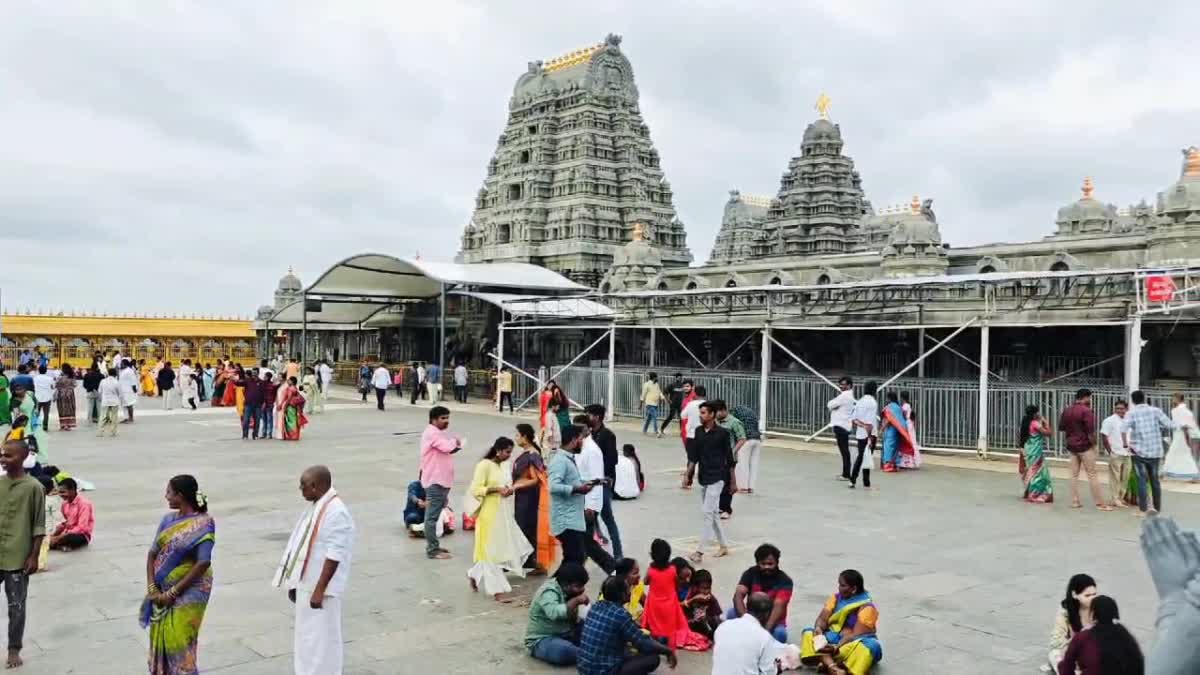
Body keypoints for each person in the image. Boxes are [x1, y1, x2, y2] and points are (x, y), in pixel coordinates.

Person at [273, 466, 356, 675]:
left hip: (321, 591)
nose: (300, 489)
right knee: (307, 639)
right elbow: (301, 545)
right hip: (306, 585)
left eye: (303, 485)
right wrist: (294, 583)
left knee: (322, 641)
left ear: (315, 486)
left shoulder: (336, 511)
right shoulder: (317, 505)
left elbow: (335, 554)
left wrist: (320, 589)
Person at [140, 475, 215, 675]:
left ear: (180, 496)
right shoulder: (167, 520)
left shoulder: (203, 522)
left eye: (169, 492)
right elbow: (152, 553)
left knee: (178, 639)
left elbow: (203, 562)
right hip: (162, 589)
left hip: (193, 588)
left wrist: (172, 593)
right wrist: (152, 589)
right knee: (162, 637)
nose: (166, 497)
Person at [467, 437, 532, 601]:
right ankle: (497, 591)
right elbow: (476, 489)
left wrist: (509, 490)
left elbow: (506, 486)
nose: (509, 455)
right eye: (507, 452)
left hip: (503, 511)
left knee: (498, 548)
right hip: (488, 513)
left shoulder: (503, 466)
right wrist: (495, 489)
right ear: (498, 450)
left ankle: (474, 574)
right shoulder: (484, 465)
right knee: (491, 551)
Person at [0, 437, 46, 670]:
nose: (3, 459)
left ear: (24, 457)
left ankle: (13, 648)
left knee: (16, 605)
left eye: (9, 455)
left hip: (17, 557)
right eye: (2, 454)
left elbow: (39, 526)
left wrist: (34, 556)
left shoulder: (34, 488)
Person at [578, 575, 678, 675]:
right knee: (652, 658)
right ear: (622, 595)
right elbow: (644, 643)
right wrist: (668, 651)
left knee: (629, 650)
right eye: (628, 590)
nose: (630, 592)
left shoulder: (596, 607)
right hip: (604, 671)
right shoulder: (620, 614)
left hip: (583, 669)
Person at [547, 425, 609, 571]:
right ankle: (556, 588)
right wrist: (577, 489)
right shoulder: (560, 461)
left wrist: (592, 483)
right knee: (575, 559)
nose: (583, 442)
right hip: (566, 521)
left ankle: (559, 587)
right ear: (574, 440)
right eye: (581, 439)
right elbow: (553, 486)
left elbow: (572, 482)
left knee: (575, 558)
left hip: (573, 519)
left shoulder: (568, 459)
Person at [799, 569, 882, 674]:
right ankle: (834, 666)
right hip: (833, 640)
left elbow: (854, 635)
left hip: (851, 644)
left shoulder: (867, 607)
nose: (839, 588)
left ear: (854, 588)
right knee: (808, 632)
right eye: (839, 584)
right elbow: (822, 618)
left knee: (870, 647)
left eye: (842, 586)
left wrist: (836, 647)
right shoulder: (835, 598)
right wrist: (819, 629)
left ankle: (830, 663)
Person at [686, 401, 734, 563]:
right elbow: (694, 455)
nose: (701, 416)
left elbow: (730, 459)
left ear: (712, 414)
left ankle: (699, 552)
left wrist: (732, 483)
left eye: (704, 413)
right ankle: (724, 546)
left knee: (707, 512)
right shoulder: (698, 431)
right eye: (700, 413)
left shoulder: (723, 434)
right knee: (713, 513)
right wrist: (688, 474)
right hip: (704, 477)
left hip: (718, 477)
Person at [526, 562, 590, 667]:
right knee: (563, 652)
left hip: (567, 632)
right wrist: (576, 601)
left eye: (583, 586)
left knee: (594, 630)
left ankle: (588, 651)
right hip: (542, 639)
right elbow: (554, 613)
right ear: (565, 585)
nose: (582, 589)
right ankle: (590, 655)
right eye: (578, 586)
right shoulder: (548, 591)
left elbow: (575, 620)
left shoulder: (570, 592)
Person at [1058, 595, 1142, 675]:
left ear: (1093, 613)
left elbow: (1066, 668)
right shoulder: (1126, 637)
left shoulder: (1082, 638)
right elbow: (1138, 665)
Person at [512, 423, 556, 574]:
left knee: (527, 528)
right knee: (526, 528)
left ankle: (536, 562)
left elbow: (536, 479)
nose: (516, 438)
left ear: (525, 437)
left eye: (517, 435)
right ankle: (534, 562)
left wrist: (516, 485)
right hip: (522, 497)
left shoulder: (532, 455)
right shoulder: (528, 453)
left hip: (529, 499)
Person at [1123, 390, 1175, 516]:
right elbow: (1170, 425)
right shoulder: (1155, 411)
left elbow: (1123, 429)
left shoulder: (1131, 413)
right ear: (1144, 398)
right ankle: (1157, 507)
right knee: (1155, 480)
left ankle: (1143, 509)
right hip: (1155, 452)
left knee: (1142, 479)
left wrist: (1125, 444)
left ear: (1133, 400)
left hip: (1139, 452)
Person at [575, 416, 617, 572]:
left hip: (588, 504)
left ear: (588, 429)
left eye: (581, 428)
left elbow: (596, 480)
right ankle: (576, 569)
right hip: (580, 500)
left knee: (587, 544)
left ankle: (614, 568)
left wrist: (591, 506)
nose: (578, 431)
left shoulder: (592, 450)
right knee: (582, 543)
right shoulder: (580, 447)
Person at [727, 544, 792, 643]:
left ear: (777, 563)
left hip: (773, 621)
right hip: (751, 618)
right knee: (731, 613)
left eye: (770, 564)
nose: (767, 567)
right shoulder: (750, 573)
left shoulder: (785, 581)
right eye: (763, 564)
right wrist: (746, 622)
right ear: (757, 563)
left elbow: (779, 606)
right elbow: (738, 596)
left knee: (780, 634)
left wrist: (764, 631)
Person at [1059, 388, 1111, 510]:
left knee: (1073, 475)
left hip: (1072, 446)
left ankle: (1075, 501)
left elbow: (1062, 427)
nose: (1090, 400)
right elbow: (1090, 432)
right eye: (1090, 398)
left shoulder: (1067, 410)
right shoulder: (1087, 411)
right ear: (1086, 397)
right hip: (1085, 446)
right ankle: (1100, 503)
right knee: (1092, 474)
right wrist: (1095, 445)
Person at [421, 406, 461, 560]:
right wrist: (455, 442)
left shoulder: (437, 433)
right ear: (434, 419)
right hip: (436, 481)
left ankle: (435, 546)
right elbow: (447, 447)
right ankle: (432, 550)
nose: (446, 421)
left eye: (447, 418)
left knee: (435, 514)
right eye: (443, 418)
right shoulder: (432, 433)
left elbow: (449, 449)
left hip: (442, 480)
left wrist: (455, 444)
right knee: (431, 517)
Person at [585, 404, 623, 560]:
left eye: (589, 415)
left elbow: (612, 460)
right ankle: (586, 553)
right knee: (589, 519)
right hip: (589, 484)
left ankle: (618, 554)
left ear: (597, 417)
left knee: (608, 518)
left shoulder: (607, 435)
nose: (587, 418)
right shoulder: (588, 435)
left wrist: (600, 478)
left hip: (603, 483)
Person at [712, 591, 783, 675]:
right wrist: (777, 669)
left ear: (747, 607)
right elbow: (769, 672)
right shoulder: (764, 637)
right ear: (767, 614)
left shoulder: (723, 626)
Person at [643, 539, 695, 650]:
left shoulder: (651, 570)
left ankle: (656, 640)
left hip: (655, 602)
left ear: (652, 555)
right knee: (669, 623)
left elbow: (645, 582)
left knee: (655, 621)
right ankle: (669, 642)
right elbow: (675, 583)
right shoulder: (672, 570)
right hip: (670, 602)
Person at [1048, 573, 1097, 672]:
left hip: (1095, 652)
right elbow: (1056, 641)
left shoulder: (1100, 606)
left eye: (1094, 594)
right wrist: (1075, 643)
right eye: (1087, 595)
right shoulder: (1066, 610)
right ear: (1075, 595)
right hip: (1073, 652)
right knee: (1054, 654)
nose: (1092, 598)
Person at [714, 401, 746, 518]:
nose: (715, 415)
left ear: (723, 410)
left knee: (727, 483)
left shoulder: (734, 422)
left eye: (716, 412)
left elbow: (742, 439)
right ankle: (718, 506)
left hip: (729, 458)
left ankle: (726, 509)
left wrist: (732, 451)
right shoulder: (716, 422)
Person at [1018, 404, 1054, 503]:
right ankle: (1034, 494)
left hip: (1028, 450)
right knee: (1038, 473)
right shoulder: (1035, 424)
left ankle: (1028, 491)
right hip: (1035, 451)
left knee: (1031, 471)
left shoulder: (1025, 422)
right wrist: (1045, 421)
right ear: (1035, 414)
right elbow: (1048, 433)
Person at [1100, 400, 1132, 508]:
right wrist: (1110, 452)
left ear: (1126, 409)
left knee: (1125, 477)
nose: (1119, 411)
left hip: (1127, 454)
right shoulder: (1109, 420)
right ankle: (1115, 499)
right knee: (1115, 477)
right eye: (1117, 408)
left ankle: (1121, 498)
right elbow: (1104, 437)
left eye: (1122, 408)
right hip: (1116, 453)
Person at [47, 477, 93, 551]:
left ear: (72, 490)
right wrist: (53, 535)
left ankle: (56, 544)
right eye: (59, 492)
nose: (60, 495)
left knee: (70, 538)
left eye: (63, 492)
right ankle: (58, 544)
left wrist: (59, 537)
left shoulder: (84, 504)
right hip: (66, 533)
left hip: (80, 535)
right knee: (45, 535)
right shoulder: (64, 504)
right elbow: (63, 523)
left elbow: (82, 527)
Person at [848, 381, 878, 490]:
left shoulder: (860, 401)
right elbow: (870, 423)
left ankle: (853, 480)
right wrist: (869, 436)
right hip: (869, 435)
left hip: (860, 434)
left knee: (861, 457)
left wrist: (862, 426)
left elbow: (853, 419)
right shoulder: (873, 403)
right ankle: (865, 483)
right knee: (866, 457)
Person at [878, 391, 916, 473]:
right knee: (895, 448)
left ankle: (887, 465)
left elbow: (889, 419)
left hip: (890, 431)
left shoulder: (889, 407)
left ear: (889, 398)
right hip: (898, 431)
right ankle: (894, 464)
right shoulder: (898, 407)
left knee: (888, 447)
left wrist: (881, 429)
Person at [1165, 393, 1200, 480]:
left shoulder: (1176, 411)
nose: (1172, 400)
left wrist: (1186, 437)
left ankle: (1183, 470)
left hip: (1181, 433)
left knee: (1178, 451)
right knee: (1182, 451)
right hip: (1185, 433)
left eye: (1173, 398)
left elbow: (1183, 425)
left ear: (1177, 399)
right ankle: (1186, 470)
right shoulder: (1186, 411)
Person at [828, 377, 856, 481]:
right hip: (843, 425)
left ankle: (846, 474)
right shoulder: (848, 395)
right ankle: (846, 473)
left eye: (844, 384)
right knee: (845, 450)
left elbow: (830, 404)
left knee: (844, 450)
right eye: (840, 384)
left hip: (841, 425)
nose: (841, 386)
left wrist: (834, 407)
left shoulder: (845, 396)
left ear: (849, 385)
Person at [730, 404, 762, 494]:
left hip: (746, 440)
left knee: (743, 464)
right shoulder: (752, 414)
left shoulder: (735, 413)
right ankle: (751, 487)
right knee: (753, 465)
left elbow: (735, 429)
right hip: (757, 440)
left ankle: (743, 487)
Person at [683, 569, 723, 640]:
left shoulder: (711, 599)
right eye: (703, 588)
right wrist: (693, 600)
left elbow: (717, 615)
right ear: (695, 588)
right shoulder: (689, 595)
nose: (706, 591)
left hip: (706, 627)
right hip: (690, 626)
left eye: (708, 588)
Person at [280, 377, 308, 441]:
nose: (287, 381)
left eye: (289, 380)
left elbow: (289, 398)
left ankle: (292, 435)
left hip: (290, 406)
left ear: (292, 381)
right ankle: (294, 435)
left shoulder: (290, 388)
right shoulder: (294, 388)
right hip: (294, 406)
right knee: (294, 420)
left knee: (291, 421)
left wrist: (285, 405)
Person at [240, 368, 264, 440]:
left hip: (258, 405)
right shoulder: (247, 381)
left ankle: (255, 434)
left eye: (255, 373)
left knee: (257, 420)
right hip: (248, 404)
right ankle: (245, 435)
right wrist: (234, 380)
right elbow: (239, 383)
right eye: (253, 373)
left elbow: (264, 393)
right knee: (246, 420)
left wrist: (263, 403)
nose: (253, 374)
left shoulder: (261, 382)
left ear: (258, 373)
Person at [98, 368, 121, 437]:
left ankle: (100, 432)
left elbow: (100, 391)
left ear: (108, 373)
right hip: (114, 401)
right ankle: (113, 432)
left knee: (103, 416)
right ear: (115, 374)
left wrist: (101, 398)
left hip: (105, 401)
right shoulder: (116, 382)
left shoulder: (103, 381)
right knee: (114, 417)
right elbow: (119, 393)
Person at [54, 363, 77, 430]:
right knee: (70, 409)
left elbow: (56, 385)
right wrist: (69, 388)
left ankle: (63, 425)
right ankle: (68, 425)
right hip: (70, 394)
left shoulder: (60, 377)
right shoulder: (72, 376)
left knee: (62, 409)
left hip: (61, 395)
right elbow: (75, 385)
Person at [641, 372, 664, 437]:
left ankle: (644, 430)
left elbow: (659, 391)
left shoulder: (656, 384)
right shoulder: (647, 384)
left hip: (655, 404)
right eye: (656, 377)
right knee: (655, 416)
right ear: (654, 377)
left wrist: (662, 397)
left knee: (649, 418)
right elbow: (643, 394)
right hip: (649, 404)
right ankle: (656, 432)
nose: (657, 378)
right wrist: (641, 403)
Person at [32, 364, 53, 432]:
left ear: (39, 371)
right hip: (47, 397)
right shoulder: (50, 378)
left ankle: (35, 425)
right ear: (46, 371)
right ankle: (45, 426)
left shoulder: (35, 378)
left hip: (37, 397)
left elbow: (33, 387)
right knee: (46, 413)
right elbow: (53, 386)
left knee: (36, 412)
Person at [259, 370, 280, 439]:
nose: (264, 377)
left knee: (268, 419)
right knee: (265, 419)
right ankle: (265, 433)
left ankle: (268, 433)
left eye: (265, 376)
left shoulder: (271, 385)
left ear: (268, 377)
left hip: (268, 404)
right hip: (264, 404)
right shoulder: (264, 384)